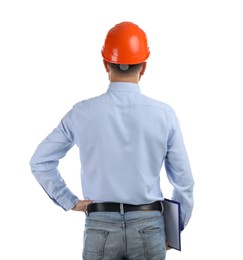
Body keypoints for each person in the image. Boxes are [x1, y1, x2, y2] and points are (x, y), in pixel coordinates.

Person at [30, 21, 194, 260]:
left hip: (100, 225)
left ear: (106, 64)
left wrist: (70, 201)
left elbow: (40, 161)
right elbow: (184, 183)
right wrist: (175, 228)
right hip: (149, 227)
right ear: (144, 67)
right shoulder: (164, 114)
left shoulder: (82, 112)